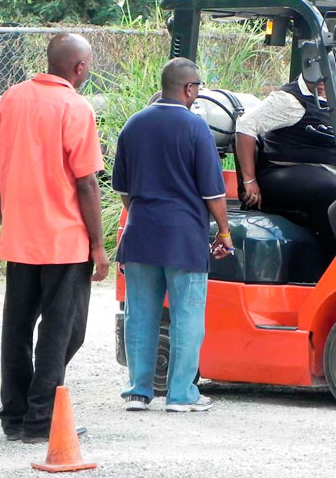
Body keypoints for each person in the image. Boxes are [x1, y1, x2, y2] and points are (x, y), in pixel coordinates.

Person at [0, 33, 109, 443]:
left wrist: (9, 219)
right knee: (64, 332)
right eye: (88, 65)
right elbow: (87, 182)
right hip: (65, 241)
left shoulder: (12, 98)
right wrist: (98, 245)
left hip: (21, 237)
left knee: (16, 328)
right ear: (79, 67)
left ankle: (15, 416)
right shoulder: (76, 107)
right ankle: (41, 419)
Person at [112, 57, 232, 413]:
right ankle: (181, 395)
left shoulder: (133, 125)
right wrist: (224, 232)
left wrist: (143, 215)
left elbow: (123, 188)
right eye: (197, 88)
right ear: (189, 88)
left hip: (140, 235)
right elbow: (213, 193)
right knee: (186, 315)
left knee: (140, 314)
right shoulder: (196, 129)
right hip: (183, 238)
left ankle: (138, 390)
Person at [234, 75, 336, 259]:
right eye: (314, 76)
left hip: (330, 169)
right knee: (328, 191)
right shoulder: (289, 99)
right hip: (282, 169)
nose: (319, 81)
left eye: (323, 78)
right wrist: (249, 179)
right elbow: (245, 125)